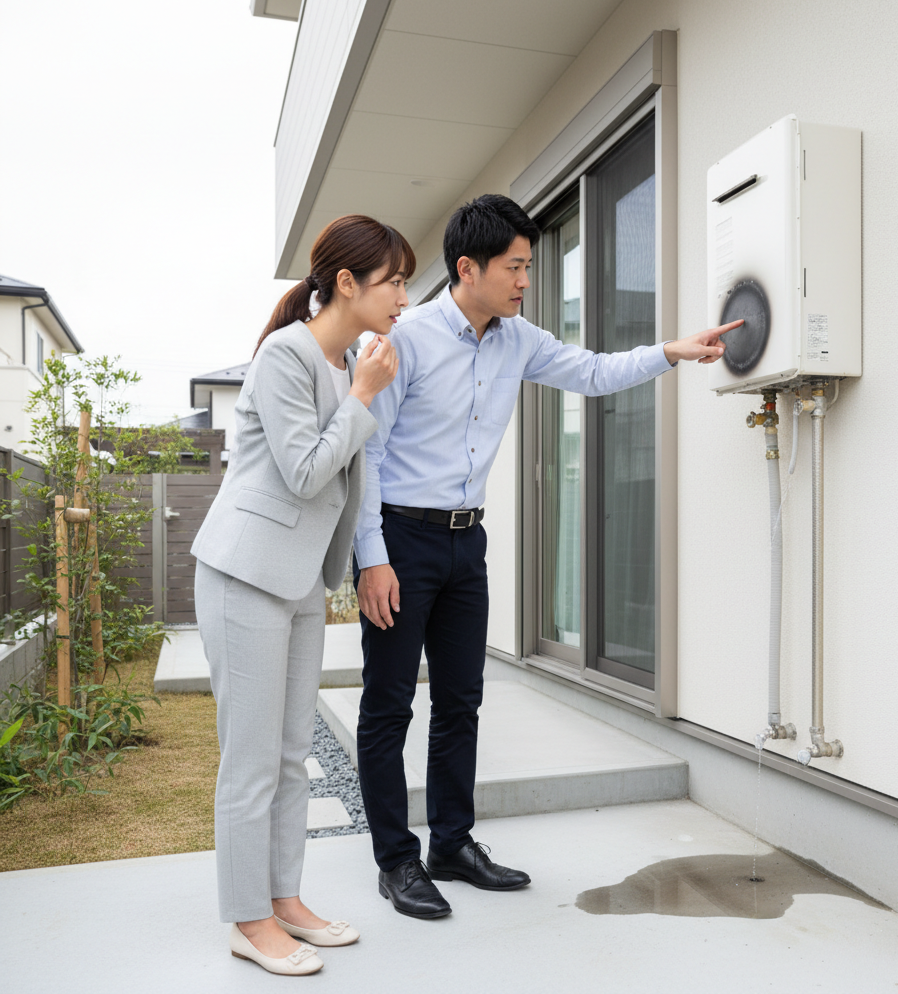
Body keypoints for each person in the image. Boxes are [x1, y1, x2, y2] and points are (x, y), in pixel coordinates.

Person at [352, 194, 741, 919]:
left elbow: (590, 372)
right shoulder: (405, 338)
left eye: (529, 266)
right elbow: (366, 455)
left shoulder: (518, 338)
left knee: (461, 701)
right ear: (468, 268)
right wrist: (371, 558)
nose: (527, 279)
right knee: (389, 704)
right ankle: (396, 861)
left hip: (468, 541)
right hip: (400, 539)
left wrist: (672, 351)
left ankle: (452, 844)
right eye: (517, 266)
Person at [191, 214, 413, 974]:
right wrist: (362, 396)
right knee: (250, 761)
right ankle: (247, 920)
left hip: (295, 582)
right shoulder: (288, 356)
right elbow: (307, 473)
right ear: (346, 283)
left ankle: (284, 899)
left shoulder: (348, 359)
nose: (404, 297)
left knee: (291, 757)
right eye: (394, 281)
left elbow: (353, 471)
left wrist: (360, 391)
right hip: (244, 574)